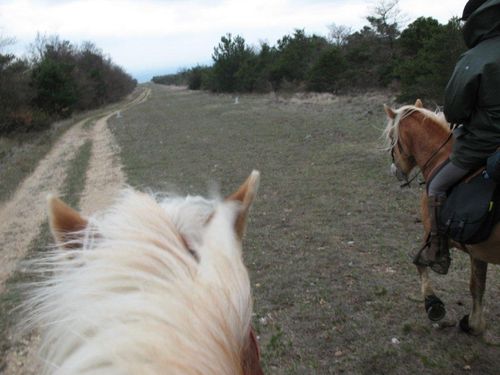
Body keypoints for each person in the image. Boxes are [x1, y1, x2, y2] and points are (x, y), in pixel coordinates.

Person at [414, 0, 500, 274]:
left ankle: (437, 250)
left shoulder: (474, 59)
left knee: (436, 186)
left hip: (483, 145)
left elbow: (454, 110)